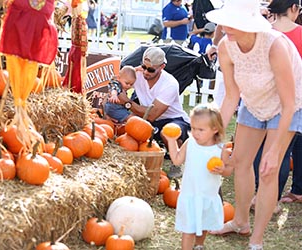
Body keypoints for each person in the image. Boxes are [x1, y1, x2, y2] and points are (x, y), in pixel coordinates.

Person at [206, 1, 302, 250]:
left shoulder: (274, 46)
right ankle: (240, 222)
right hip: (253, 101)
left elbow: (289, 104)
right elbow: (231, 96)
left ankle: (256, 240)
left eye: (233, 23)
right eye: (224, 21)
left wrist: (275, 149)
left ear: (249, 24)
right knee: (240, 161)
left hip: (287, 105)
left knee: (268, 169)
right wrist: (213, 134)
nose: (225, 27)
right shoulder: (226, 47)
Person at [162, 103, 233, 250]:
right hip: (190, 194)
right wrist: (171, 141)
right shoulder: (190, 143)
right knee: (188, 230)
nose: (195, 133)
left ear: (215, 129)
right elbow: (176, 160)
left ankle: (199, 245)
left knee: (204, 223)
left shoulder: (220, 149)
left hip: (208, 195)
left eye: (200, 130)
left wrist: (222, 169)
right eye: (193, 128)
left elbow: (228, 170)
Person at [118, 46, 190, 178]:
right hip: (147, 117)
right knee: (124, 123)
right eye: (143, 67)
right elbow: (116, 82)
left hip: (172, 119)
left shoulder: (170, 83)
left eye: (151, 69)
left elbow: (152, 114)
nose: (145, 72)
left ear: (162, 67)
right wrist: (128, 74)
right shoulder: (138, 74)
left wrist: (127, 102)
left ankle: (177, 162)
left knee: (168, 131)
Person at [265, 0, 302, 204]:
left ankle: (269, 197)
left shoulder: (265, 33)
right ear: (293, 8)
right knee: (294, 147)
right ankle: (297, 190)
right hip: (297, 97)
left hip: (269, 98)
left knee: (273, 151)